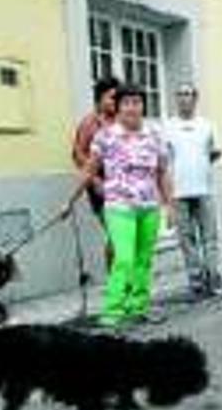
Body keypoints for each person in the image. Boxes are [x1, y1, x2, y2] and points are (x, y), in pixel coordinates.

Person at [63, 84, 175, 327]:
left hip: (149, 207)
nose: (132, 108)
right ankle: (113, 313)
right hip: (118, 206)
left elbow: (163, 172)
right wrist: (71, 199)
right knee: (123, 258)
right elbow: (89, 169)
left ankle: (138, 307)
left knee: (143, 260)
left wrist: (170, 205)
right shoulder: (105, 136)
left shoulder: (155, 135)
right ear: (118, 107)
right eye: (126, 103)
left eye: (137, 102)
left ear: (143, 106)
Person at [164, 83, 222, 298]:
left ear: (195, 98)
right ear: (176, 99)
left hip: (204, 189)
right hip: (179, 192)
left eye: (188, 94)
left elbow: (215, 152)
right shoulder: (168, 126)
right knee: (186, 239)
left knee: (210, 237)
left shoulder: (207, 125)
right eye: (180, 94)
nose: (184, 98)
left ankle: (214, 278)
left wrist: (199, 165)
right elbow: (164, 159)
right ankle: (196, 281)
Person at [71, 76, 120, 266]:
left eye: (117, 98)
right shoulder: (89, 123)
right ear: (99, 99)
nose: (114, 102)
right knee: (116, 235)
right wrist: (94, 180)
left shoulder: (120, 121)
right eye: (111, 97)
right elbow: (78, 154)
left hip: (122, 184)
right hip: (100, 185)